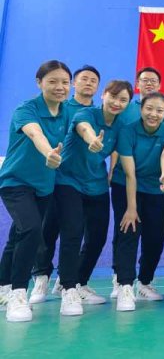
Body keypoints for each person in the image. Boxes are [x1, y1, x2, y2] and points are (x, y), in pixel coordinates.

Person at [50, 80, 132, 316]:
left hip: (96, 184)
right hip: (68, 180)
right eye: (113, 97)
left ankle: (79, 282)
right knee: (73, 232)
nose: (117, 103)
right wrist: (93, 140)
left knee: (97, 237)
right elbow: (84, 128)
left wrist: (112, 169)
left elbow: (120, 152)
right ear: (103, 95)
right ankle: (68, 289)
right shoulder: (85, 114)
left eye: (123, 100)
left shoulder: (121, 126)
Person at [0, 60, 70, 322]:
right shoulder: (26, 109)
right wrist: (49, 152)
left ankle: (2, 285)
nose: (60, 87)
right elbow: (34, 133)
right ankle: (18, 294)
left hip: (44, 187)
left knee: (19, 234)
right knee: (31, 230)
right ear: (39, 83)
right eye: (52, 81)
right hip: (15, 182)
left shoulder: (67, 111)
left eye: (65, 82)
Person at [30, 65, 102, 303]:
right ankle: (41, 277)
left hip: (91, 183)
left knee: (83, 234)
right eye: (84, 79)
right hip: (60, 180)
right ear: (73, 84)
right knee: (49, 229)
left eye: (93, 80)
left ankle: (68, 281)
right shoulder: (61, 108)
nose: (88, 83)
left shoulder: (98, 113)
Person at [111, 93, 164, 311]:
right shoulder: (127, 131)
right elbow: (130, 174)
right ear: (141, 109)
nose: (153, 114)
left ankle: (144, 282)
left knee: (157, 234)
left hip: (154, 187)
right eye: (149, 109)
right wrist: (131, 208)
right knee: (129, 231)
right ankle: (124, 286)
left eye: (159, 110)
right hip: (126, 184)